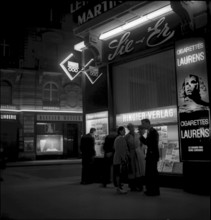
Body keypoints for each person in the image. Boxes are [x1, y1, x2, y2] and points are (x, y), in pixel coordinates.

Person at [140, 119, 160, 196]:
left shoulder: (153, 132)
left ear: (148, 123)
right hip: (151, 155)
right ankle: (151, 190)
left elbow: (149, 143)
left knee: (152, 173)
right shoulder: (150, 132)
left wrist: (142, 136)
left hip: (152, 156)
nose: (143, 125)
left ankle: (153, 191)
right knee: (150, 173)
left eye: (143, 123)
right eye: (142, 124)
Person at [125, 123, 146, 191]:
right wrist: (128, 154)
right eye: (130, 127)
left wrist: (141, 151)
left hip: (139, 153)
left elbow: (143, 144)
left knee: (139, 169)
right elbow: (125, 147)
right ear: (128, 128)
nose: (132, 128)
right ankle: (132, 186)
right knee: (132, 170)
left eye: (132, 127)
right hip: (131, 154)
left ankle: (140, 186)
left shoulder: (138, 135)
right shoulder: (126, 137)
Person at [113, 126, 129, 194]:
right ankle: (119, 188)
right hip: (119, 159)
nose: (125, 132)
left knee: (117, 173)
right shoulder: (121, 139)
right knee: (119, 173)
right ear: (120, 131)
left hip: (116, 158)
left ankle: (118, 187)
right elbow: (121, 150)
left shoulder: (117, 138)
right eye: (123, 130)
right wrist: (124, 158)